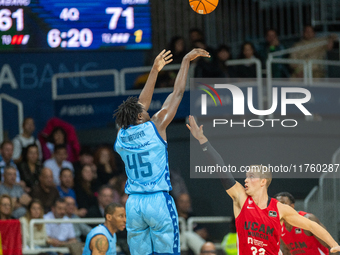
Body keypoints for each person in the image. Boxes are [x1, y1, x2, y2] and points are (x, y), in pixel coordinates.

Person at [186, 115, 340, 254]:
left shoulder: (279, 208)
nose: (245, 180)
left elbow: (312, 226)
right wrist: (202, 141)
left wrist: (334, 244)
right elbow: (222, 169)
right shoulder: (241, 197)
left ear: (263, 181)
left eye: (251, 176)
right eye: (245, 176)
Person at [114, 48, 210, 255]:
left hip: (133, 204)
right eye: (143, 111)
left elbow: (139, 106)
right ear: (139, 117)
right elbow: (177, 93)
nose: (147, 109)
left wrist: (155, 70)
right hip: (156, 200)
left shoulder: (121, 137)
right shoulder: (155, 126)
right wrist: (185, 61)